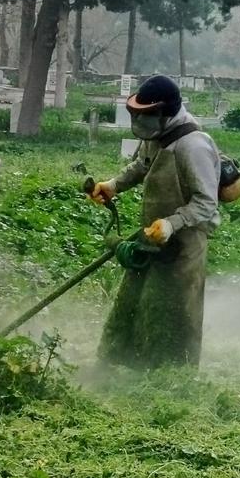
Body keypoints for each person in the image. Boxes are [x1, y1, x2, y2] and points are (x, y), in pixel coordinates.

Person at [90, 75, 221, 368]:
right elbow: (142, 166)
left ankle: (173, 373)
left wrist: (173, 223)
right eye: (139, 115)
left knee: (173, 311)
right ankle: (128, 363)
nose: (142, 122)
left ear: (166, 112)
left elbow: (206, 202)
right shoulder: (156, 136)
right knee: (137, 302)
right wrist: (113, 185)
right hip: (151, 237)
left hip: (185, 243)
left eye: (148, 115)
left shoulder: (194, 146)